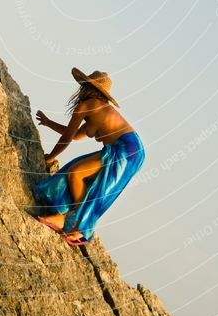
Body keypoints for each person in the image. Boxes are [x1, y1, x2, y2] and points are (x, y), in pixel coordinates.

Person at [33, 67, 145, 246]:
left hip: (126, 149)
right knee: (76, 171)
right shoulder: (97, 109)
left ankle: (79, 226)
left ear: (88, 87)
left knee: (76, 173)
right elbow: (75, 134)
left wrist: (50, 157)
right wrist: (48, 123)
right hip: (132, 149)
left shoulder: (87, 105)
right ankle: (68, 220)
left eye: (83, 85)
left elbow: (67, 138)